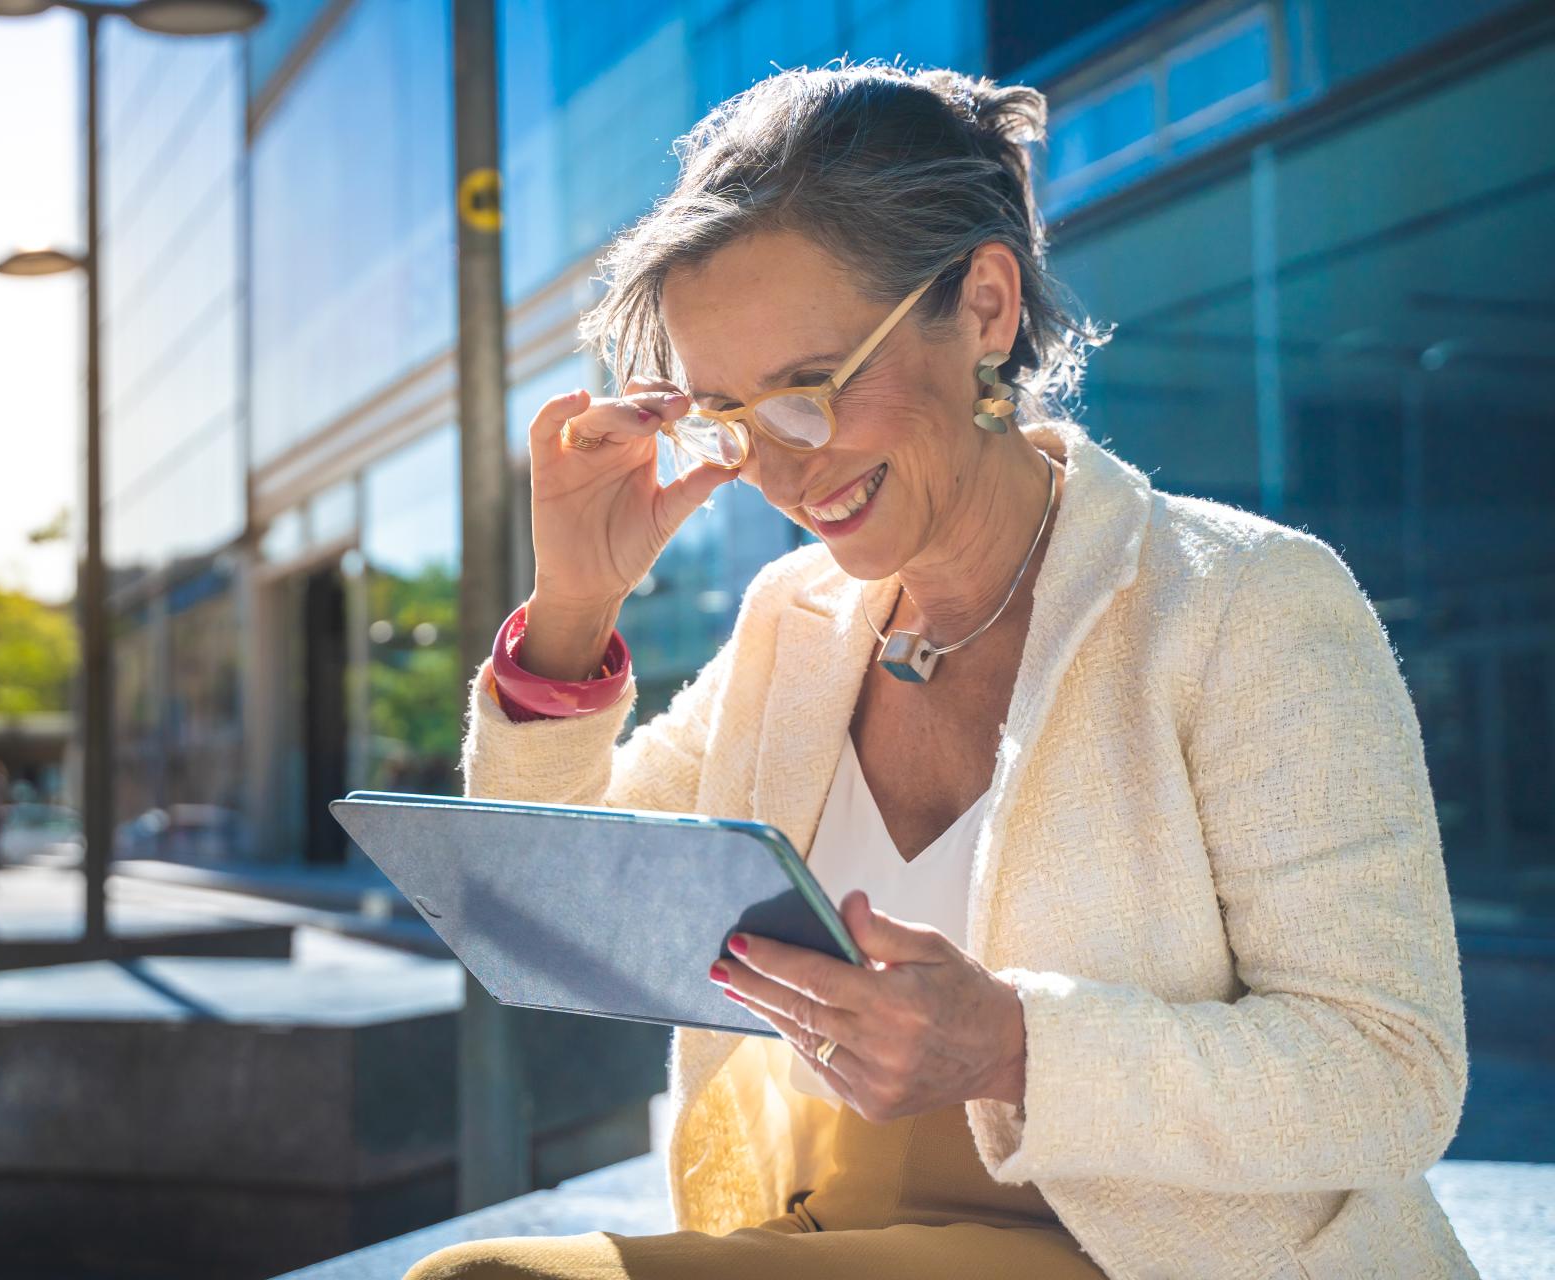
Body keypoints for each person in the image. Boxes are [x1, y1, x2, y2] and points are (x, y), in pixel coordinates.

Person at [410, 62, 1472, 1279]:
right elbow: (552, 914)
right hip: (831, 1232)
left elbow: (1390, 1067)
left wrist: (1013, 1044)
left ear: (983, 306)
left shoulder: (1240, 601)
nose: (779, 470)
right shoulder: (792, 622)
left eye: (811, 390)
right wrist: (575, 609)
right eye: (728, 416)